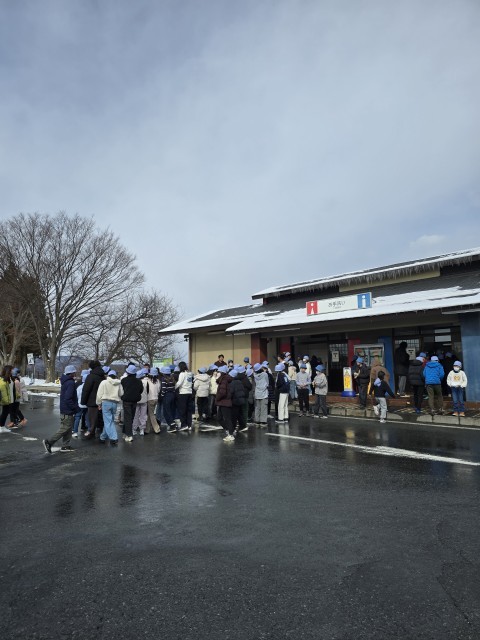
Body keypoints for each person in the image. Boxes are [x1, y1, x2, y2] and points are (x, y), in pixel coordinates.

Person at [43, 365, 79, 452]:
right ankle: (49, 442)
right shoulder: (70, 383)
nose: (75, 373)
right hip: (68, 409)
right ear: (71, 373)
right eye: (74, 372)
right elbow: (68, 398)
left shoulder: (66, 381)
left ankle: (66, 445)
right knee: (65, 428)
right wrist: (75, 408)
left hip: (64, 409)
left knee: (68, 428)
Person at [96, 369, 123, 445]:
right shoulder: (118, 383)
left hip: (106, 403)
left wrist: (98, 403)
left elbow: (99, 394)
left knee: (108, 421)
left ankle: (114, 438)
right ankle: (103, 437)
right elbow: (121, 393)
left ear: (108, 375)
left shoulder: (104, 382)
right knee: (110, 421)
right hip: (114, 403)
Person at [81, 360, 106, 439]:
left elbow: (86, 389)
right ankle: (101, 432)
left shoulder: (91, 376)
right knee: (99, 416)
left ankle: (91, 432)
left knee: (91, 417)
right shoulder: (103, 376)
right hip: (102, 399)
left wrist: (83, 401)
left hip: (92, 400)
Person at [121, 364, 144, 442]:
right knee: (131, 417)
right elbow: (141, 390)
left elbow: (121, 390)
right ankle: (125, 432)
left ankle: (129, 435)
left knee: (127, 417)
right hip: (135, 401)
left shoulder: (124, 380)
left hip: (126, 400)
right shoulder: (139, 381)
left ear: (128, 372)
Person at [175, 362, 193, 431]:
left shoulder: (182, 374)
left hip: (183, 393)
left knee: (182, 410)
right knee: (189, 410)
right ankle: (189, 425)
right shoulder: (190, 373)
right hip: (189, 392)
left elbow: (179, 383)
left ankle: (184, 425)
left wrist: (174, 387)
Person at [215, 365, 233, 437]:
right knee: (219, 418)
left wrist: (217, 397)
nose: (217, 373)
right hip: (222, 402)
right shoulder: (222, 380)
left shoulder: (223, 380)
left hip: (225, 402)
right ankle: (228, 430)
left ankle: (231, 434)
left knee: (227, 419)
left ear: (222, 373)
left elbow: (222, 392)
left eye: (218, 372)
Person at [229, 369, 247, 437]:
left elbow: (231, 392)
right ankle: (243, 426)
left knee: (234, 415)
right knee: (239, 414)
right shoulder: (239, 381)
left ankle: (233, 428)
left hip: (235, 400)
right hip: (240, 399)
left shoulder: (232, 383)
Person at [132, 369, 148, 435]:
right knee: (143, 415)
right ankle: (142, 429)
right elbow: (148, 391)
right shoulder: (146, 382)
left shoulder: (134, 381)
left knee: (135, 415)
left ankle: (134, 429)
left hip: (136, 400)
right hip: (144, 400)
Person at [145, 368, 161, 434]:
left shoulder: (148, 381)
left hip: (150, 399)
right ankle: (147, 429)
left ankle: (157, 429)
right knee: (150, 414)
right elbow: (159, 390)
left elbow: (146, 390)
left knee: (151, 415)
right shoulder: (158, 381)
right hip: (156, 398)